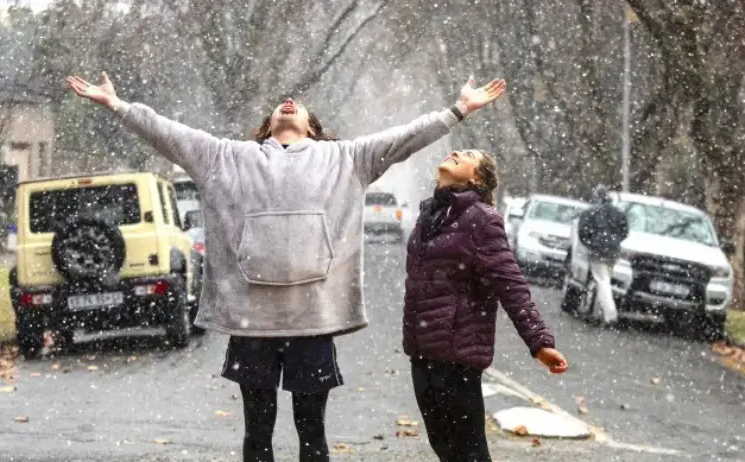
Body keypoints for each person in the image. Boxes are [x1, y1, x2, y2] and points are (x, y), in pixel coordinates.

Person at [66, 72, 506, 462]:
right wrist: (118, 106)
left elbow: (404, 137)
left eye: (296, 108)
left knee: (311, 432)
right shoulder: (226, 158)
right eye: (278, 108)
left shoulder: (347, 159)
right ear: (268, 126)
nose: (287, 103)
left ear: (312, 127)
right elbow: (167, 133)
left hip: (311, 323)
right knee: (257, 434)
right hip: (252, 323)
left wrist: (458, 110)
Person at [403, 149, 568, 462]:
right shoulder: (431, 214)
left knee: (469, 453)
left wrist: (540, 342)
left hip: (457, 355)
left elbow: (511, 284)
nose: (456, 152)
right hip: (423, 352)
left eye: (467, 155)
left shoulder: (481, 219)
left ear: (476, 178)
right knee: (445, 449)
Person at [577, 184, 629, 325]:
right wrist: (614, 241)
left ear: (596, 196)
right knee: (605, 280)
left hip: (597, 251)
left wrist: (591, 243)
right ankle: (598, 314)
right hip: (612, 252)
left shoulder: (590, 212)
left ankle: (609, 314)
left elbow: (582, 232)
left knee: (602, 281)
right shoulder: (619, 213)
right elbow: (624, 231)